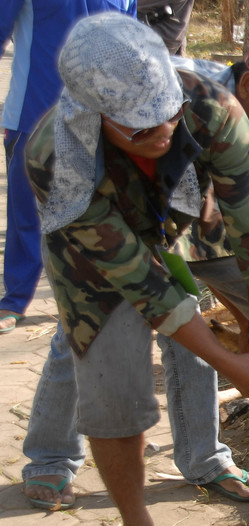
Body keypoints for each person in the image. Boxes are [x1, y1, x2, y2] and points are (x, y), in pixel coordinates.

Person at [25, 13, 249, 526]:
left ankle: (204, 456)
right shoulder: (56, 159)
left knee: (203, 313)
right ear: (96, 115)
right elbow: (145, 288)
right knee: (110, 375)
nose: (161, 134)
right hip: (93, 252)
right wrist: (229, 360)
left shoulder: (212, 110)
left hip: (169, 222)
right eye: (138, 131)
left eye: (166, 117)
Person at [0, 0, 137, 336]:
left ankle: (90, 297)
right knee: (27, 209)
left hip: (101, 115)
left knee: (97, 206)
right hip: (33, 111)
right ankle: (16, 297)